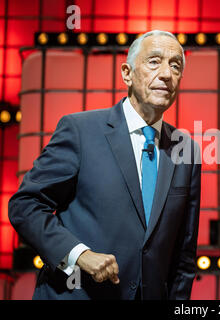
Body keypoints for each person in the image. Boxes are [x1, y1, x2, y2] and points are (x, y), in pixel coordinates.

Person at [8, 30, 202, 300]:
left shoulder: (186, 150)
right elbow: (25, 206)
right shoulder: (80, 131)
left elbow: (184, 253)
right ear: (127, 74)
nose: (167, 74)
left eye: (175, 65)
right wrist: (79, 255)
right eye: (154, 61)